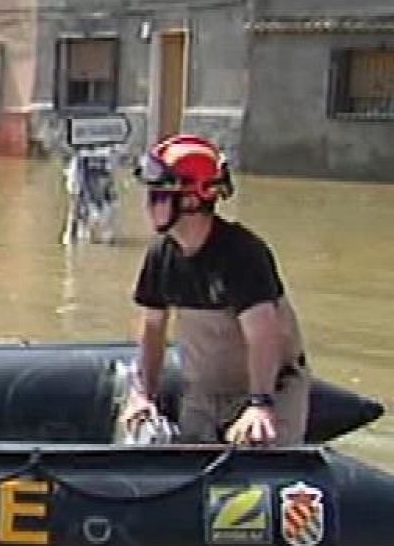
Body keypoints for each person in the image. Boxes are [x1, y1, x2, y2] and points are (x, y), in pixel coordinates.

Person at [122, 134, 309, 447]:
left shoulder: (242, 254)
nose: (149, 204)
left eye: (159, 196)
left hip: (268, 389)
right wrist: (143, 394)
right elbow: (153, 328)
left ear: (192, 199)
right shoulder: (161, 255)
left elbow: (263, 333)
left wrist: (259, 404)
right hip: (204, 393)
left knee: (257, 473)